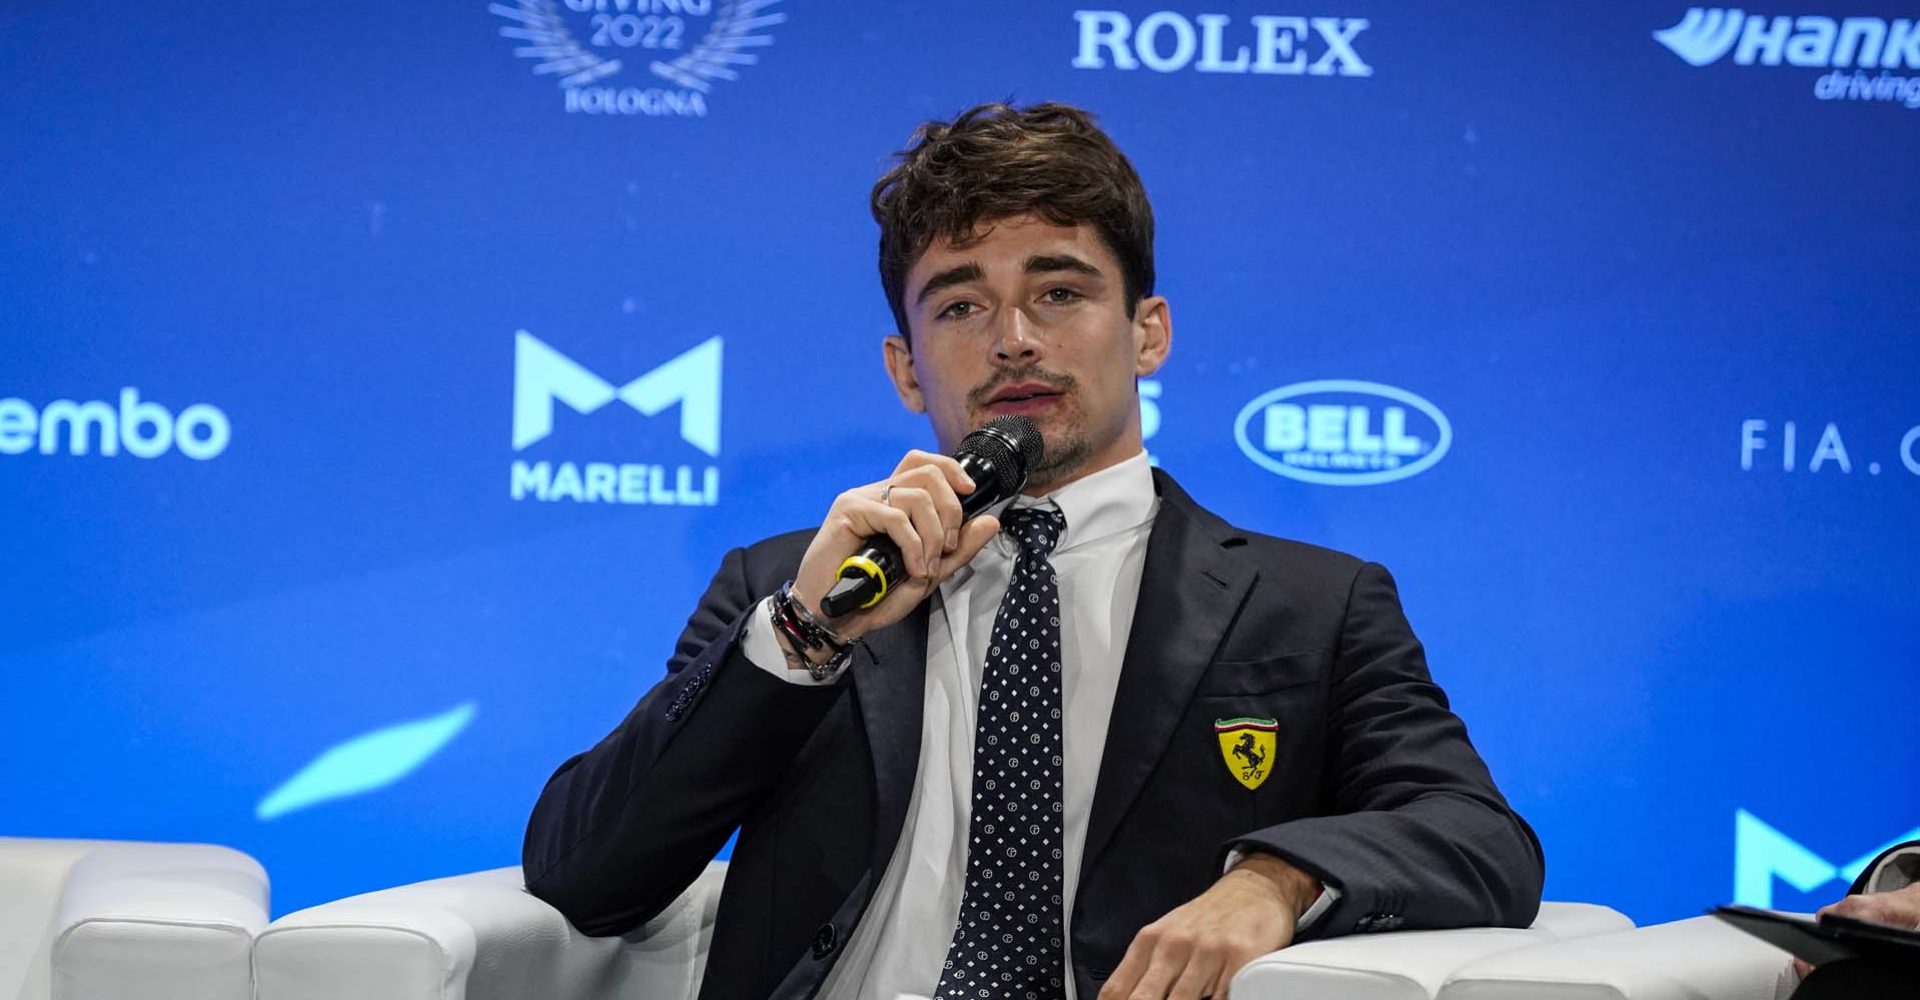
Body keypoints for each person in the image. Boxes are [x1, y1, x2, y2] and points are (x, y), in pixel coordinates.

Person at [521, 101, 1544, 1000]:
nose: (1012, 337)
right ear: (905, 370)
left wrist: (1272, 880)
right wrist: (803, 631)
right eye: (959, 305)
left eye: (1059, 292)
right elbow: (585, 869)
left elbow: (1479, 835)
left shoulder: (1311, 604)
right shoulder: (791, 589)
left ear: (1148, 334)